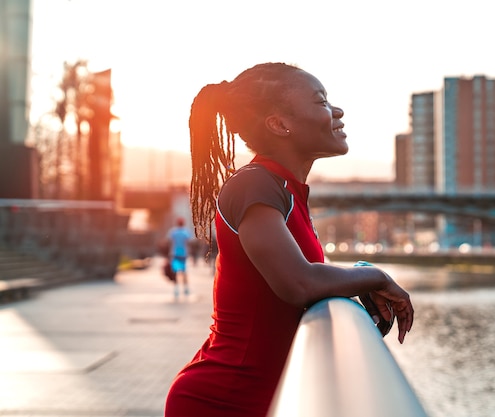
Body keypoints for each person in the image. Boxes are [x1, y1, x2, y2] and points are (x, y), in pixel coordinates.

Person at [164, 62, 414, 417]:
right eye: (321, 102)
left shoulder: (284, 190)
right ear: (279, 124)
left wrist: (355, 272)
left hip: (265, 397)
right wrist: (377, 276)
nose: (337, 111)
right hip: (222, 400)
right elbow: (298, 283)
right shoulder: (255, 184)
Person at [167, 217, 193, 297]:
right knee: (184, 272)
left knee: (175, 272)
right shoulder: (186, 232)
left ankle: (176, 289)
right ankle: (186, 289)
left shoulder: (173, 232)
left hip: (174, 253)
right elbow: (190, 241)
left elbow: (169, 241)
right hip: (183, 254)